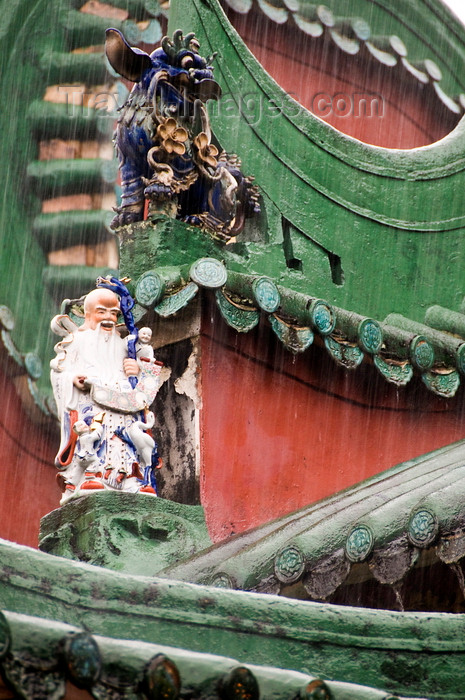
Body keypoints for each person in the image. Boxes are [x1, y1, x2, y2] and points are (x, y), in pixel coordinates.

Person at [50, 288, 162, 504]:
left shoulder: (123, 345)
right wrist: (72, 380)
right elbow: (59, 371)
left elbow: (141, 377)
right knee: (93, 437)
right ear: (88, 314)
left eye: (113, 313)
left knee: (125, 440)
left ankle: (129, 479)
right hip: (91, 401)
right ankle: (92, 476)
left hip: (122, 402)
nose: (109, 318)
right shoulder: (77, 340)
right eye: (102, 312)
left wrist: (135, 370)